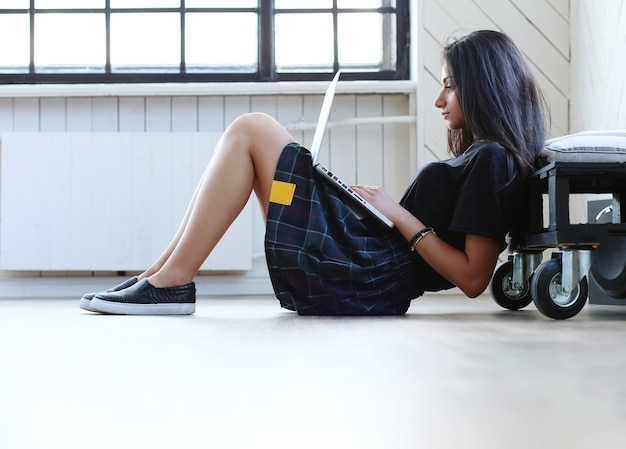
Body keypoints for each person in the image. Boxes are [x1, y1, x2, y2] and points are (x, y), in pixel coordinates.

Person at [80, 29, 546, 316]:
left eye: (449, 87)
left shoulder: (493, 161)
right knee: (249, 138)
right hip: (362, 265)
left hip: (367, 277)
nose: (439, 100)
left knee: (252, 130)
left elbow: (472, 278)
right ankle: (160, 275)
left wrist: (395, 213)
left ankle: (171, 283)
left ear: (483, 86)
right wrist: (372, 209)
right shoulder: (486, 158)